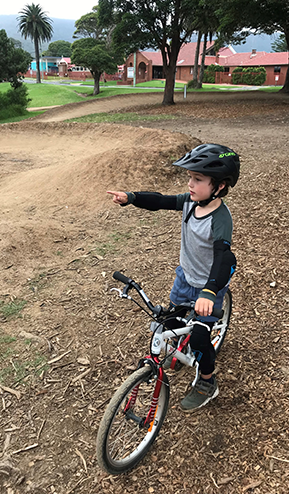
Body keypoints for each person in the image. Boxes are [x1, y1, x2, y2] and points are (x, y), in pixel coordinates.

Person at [106, 143, 239, 413]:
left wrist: (210, 291)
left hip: (209, 287)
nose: (190, 184)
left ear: (220, 186)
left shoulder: (220, 219)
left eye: (198, 179)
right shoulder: (190, 202)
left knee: (200, 337)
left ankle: (207, 382)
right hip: (185, 278)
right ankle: (180, 349)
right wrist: (131, 197)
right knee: (171, 320)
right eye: (190, 177)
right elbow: (160, 201)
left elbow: (223, 258)